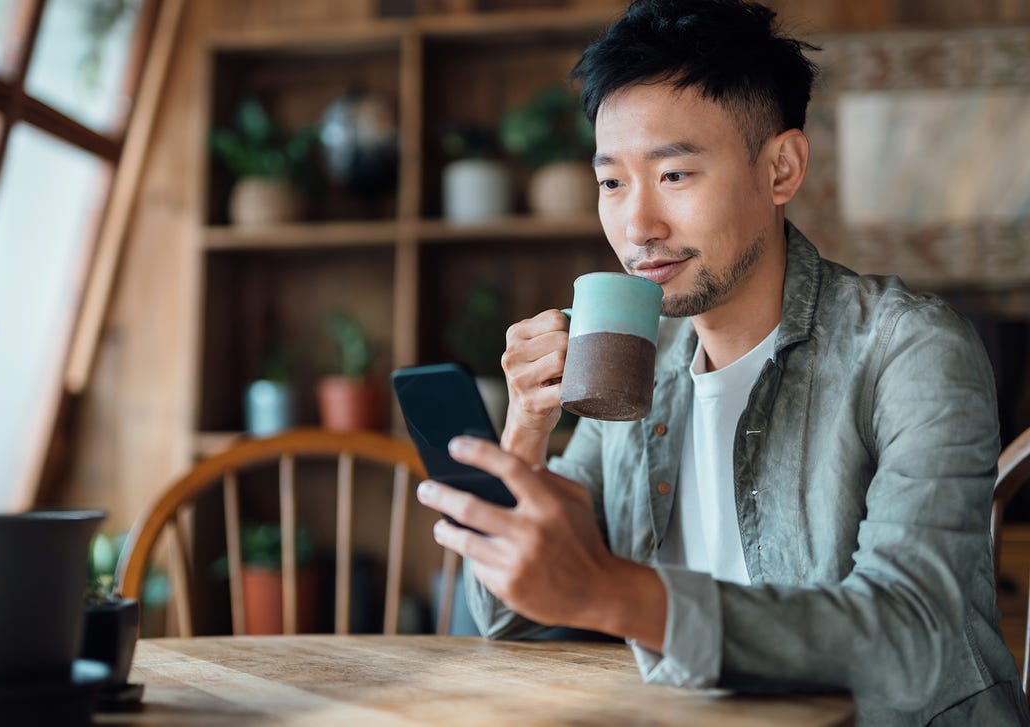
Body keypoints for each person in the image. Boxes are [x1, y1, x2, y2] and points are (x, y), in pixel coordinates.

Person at [413, 0, 1030, 724]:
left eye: (674, 174)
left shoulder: (911, 350)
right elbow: (513, 621)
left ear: (781, 168)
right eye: (612, 182)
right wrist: (526, 433)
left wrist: (615, 592)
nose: (637, 225)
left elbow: (910, 634)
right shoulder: (636, 363)